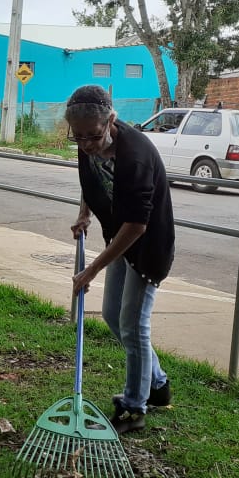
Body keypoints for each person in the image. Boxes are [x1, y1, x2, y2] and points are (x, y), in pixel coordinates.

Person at [66, 85, 176, 434]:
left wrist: (92, 269)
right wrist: (84, 214)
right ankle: (157, 384)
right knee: (114, 317)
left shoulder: (136, 154)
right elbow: (91, 179)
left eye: (92, 136)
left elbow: (138, 225)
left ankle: (134, 406)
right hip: (119, 238)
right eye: (78, 137)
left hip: (146, 245)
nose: (85, 144)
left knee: (134, 326)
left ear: (111, 120)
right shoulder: (89, 142)